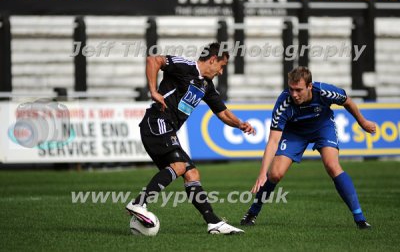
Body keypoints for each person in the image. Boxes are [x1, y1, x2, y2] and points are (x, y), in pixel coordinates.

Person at [126, 42, 256, 234]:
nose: (221, 72)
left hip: (166, 128)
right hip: (157, 122)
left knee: (191, 174)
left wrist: (239, 124)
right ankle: (138, 203)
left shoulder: (206, 86)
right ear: (212, 60)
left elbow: (223, 113)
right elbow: (153, 60)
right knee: (180, 166)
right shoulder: (184, 66)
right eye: (221, 66)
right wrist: (153, 91)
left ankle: (213, 223)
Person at [240, 66, 376, 229]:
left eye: (298, 90)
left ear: (310, 86)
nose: (294, 94)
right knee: (275, 174)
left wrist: (363, 122)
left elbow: (347, 101)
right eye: (291, 89)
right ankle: (252, 212)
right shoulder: (283, 103)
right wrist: (263, 173)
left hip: (322, 127)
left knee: (333, 166)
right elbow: (273, 141)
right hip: (295, 132)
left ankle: (360, 218)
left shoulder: (325, 91)